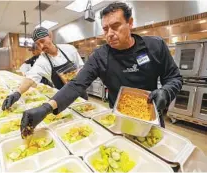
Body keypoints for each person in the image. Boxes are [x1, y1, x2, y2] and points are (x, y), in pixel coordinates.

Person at [19, 2, 183, 137]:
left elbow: (174, 78)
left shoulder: (155, 46)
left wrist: (166, 92)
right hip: (118, 119)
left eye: (116, 26)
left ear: (130, 23)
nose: (110, 34)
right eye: (105, 29)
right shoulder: (100, 56)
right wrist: (46, 108)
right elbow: (76, 84)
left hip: (151, 118)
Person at [2, 27, 87, 111]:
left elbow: (82, 68)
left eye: (42, 41)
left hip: (80, 93)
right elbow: (30, 78)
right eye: (38, 44)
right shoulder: (42, 61)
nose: (41, 46)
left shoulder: (69, 49)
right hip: (63, 99)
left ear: (50, 36)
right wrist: (17, 92)